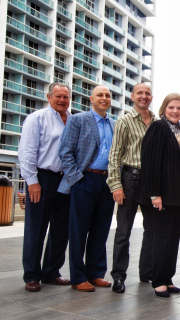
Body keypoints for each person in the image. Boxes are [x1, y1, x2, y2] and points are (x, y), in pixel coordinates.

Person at [140, 93, 180, 297]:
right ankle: (158, 280)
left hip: (179, 196)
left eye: (179, 108)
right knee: (162, 238)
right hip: (163, 195)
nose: (175, 111)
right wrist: (155, 194)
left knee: (173, 238)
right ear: (164, 108)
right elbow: (150, 162)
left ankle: (168, 277)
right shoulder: (159, 127)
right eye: (171, 107)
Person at [58, 86, 116, 292]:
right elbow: (65, 152)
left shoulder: (114, 124)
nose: (104, 98)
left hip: (107, 182)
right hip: (85, 179)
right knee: (78, 230)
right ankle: (78, 276)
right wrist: (76, 180)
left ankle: (96, 273)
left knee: (100, 229)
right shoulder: (78, 120)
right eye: (100, 95)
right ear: (91, 99)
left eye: (107, 96)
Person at [18, 82, 72, 292]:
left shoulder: (72, 120)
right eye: (58, 96)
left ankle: (51, 272)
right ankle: (31, 275)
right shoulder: (37, 118)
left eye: (65, 97)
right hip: (42, 178)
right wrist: (32, 181)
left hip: (65, 180)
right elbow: (27, 151)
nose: (62, 100)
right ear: (49, 97)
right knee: (36, 229)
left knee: (61, 229)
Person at [107, 83, 157, 293]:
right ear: (132, 96)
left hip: (151, 181)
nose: (144, 96)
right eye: (140, 93)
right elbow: (115, 154)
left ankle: (146, 273)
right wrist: (116, 184)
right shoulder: (124, 120)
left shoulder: (157, 122)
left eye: (147, 93)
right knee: (123, 231)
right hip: (129, 178)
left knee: (152, 230)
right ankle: (118, 276)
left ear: (151, 97)